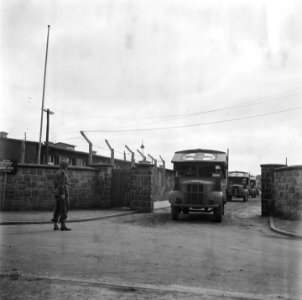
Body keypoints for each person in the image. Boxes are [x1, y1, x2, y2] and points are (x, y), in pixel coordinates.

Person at [52, 160, 71, 231]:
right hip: (62, 193)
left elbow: (56, 184)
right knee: (64, 209)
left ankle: (55, 224)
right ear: (65, 166)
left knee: (57, 209)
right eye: (67, 165)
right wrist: (63, 193)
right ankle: (63, 225)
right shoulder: (63, 173)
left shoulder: (58, 172)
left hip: (57, 192)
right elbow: (61, 184)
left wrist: (56, 191)